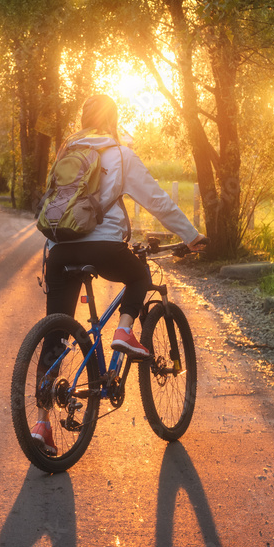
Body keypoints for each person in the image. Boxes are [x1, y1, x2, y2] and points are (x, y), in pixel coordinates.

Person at [31, 94, 206, 454]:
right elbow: (156, 200)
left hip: (61, 250)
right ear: (112, 121)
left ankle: (41, 424)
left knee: (57, 332)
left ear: (84, 119)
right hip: (105, 247)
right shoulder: (121, 155)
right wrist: (191, 236)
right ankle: (125, 330)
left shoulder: (66, 154)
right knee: (139, 275)